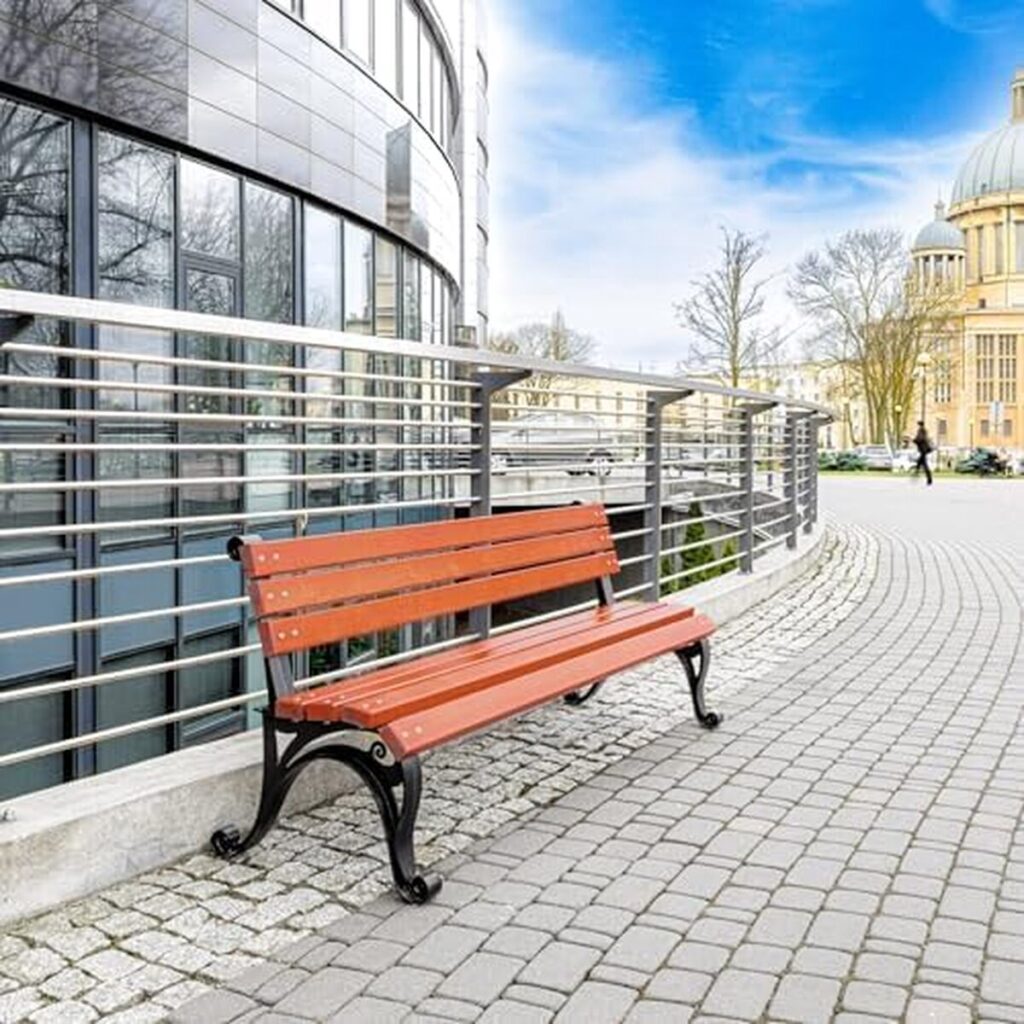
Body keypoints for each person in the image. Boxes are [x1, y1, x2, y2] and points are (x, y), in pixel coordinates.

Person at [913, 421, 934, 486]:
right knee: (921, 463)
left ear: (919, 425)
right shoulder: (924, 430)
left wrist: (914, 440)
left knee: (924, 464)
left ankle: (928, 478)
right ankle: (917, 472)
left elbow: (920, 439)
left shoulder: (921, 430)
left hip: (923, 450)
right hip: (924, 450)